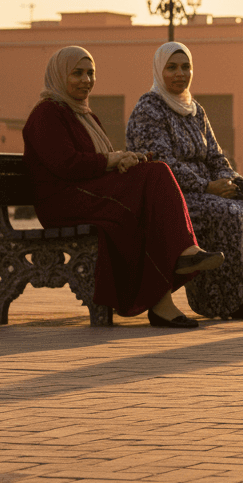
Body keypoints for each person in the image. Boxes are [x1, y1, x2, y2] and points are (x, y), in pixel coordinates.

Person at [22, 46, 224, 328]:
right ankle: (182, 257)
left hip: (88, 193)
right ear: (59, 75)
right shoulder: (47, 113)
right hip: (63, 202)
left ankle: (166, 295)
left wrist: (125, 160)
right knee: (146, 191)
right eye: (77, 73)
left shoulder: (85, 115)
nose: (86, 80)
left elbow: (96, 161)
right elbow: (66, 165)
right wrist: (112, 160)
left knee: (153, 176)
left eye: (91, 73)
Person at [126, 42, 243, 320]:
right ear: (159, 71)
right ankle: (219, 302)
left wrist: (234, 182)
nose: (180, 74)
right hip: (174, 195)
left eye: (185, 67)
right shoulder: (149, 108)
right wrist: (206, 186)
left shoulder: (195, 109)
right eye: (171, 68)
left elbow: (216, 156)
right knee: (229, 213)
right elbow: (161, 161)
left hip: (208, 190)